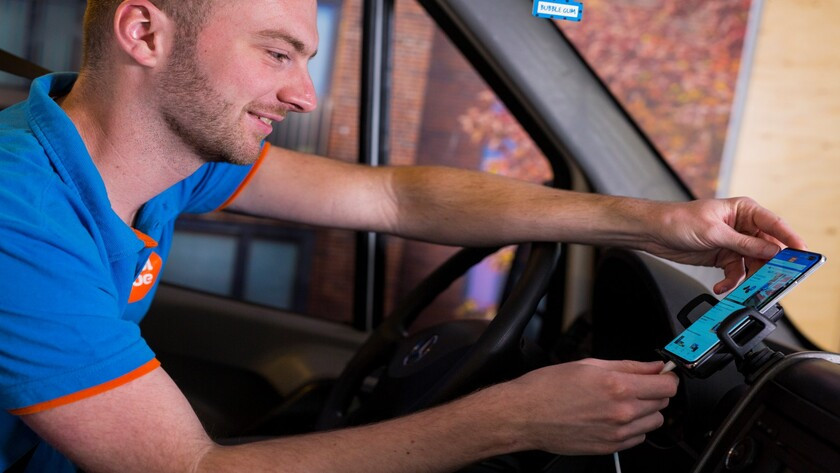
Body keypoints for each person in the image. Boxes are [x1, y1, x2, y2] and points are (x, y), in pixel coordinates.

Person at [0, 0, 807, 471]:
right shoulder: (18, 213)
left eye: (306, 56)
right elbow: (193, 468)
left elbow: (390, 196)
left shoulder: (158, 154)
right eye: (278, 53)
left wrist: (655, 222)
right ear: (144, 35)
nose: (304, 94)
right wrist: (512, 420)